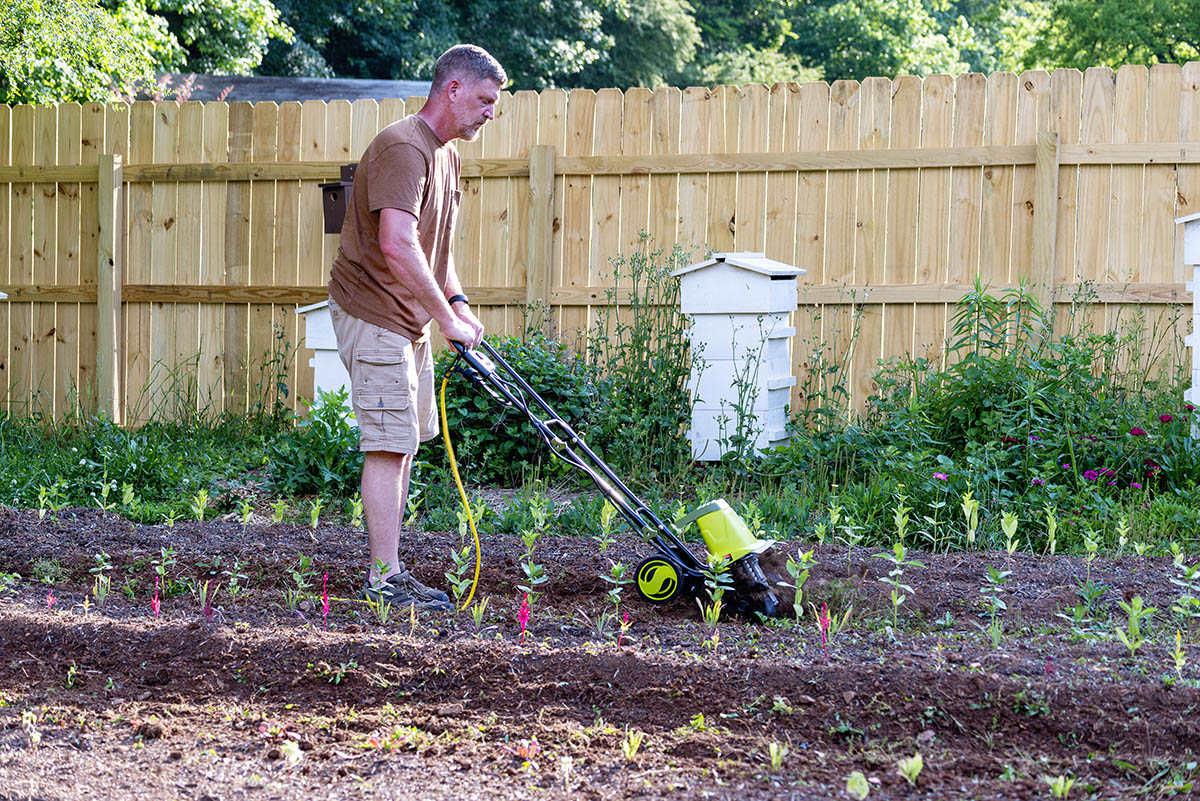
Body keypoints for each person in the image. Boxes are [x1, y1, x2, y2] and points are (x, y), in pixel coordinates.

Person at [327, 44, 505, 610]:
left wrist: (457, 301)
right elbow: (397, 244)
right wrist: (446, 320)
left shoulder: (446, 154)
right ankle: (384, 581)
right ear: (452, 89)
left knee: (404, 443)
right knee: (386, 444)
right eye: (484, 100)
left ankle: (392, 572)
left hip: (409, 319)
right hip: (374, 310)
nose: (490, 113)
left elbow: (435, 247)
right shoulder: (404, 148)